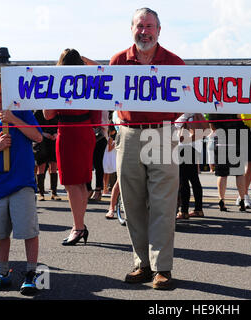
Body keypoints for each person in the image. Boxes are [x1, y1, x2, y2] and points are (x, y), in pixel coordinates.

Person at [110, 7, 184, 290]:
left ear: (159, 30)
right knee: (132, 204)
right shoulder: (117, 61)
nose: (145, 31)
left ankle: (162, 268)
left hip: (162, 134)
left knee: (164, 205)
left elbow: (187, 100)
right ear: (132, 29)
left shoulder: (175, 63)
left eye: (150, 26)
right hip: (128, 135)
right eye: (140, 26)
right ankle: (142, 263)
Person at [0, 71, 43, 295]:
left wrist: (13, 120)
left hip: (22, 183)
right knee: (0, 234)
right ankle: (2, 273)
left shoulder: (23, 114)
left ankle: (31, 273)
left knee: (28, 231)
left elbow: (37, 137)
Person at [43, 48, 100, 246]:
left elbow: (47, 115)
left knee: (71, 184)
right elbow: (105, 71)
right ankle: (79, 225)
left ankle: (78, 227)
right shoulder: (89, 82)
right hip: (86, 131)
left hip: (68, 131)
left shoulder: (58, 83)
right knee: (81, 182)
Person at [208, 113, 248, 212]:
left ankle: (221, 200)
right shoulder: (237, 107)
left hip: (221, 141)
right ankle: (242, 200)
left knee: (222, 175)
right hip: (237, 140)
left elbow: (212, 127)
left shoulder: (215, 108)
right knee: (239, 173)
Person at [176, 114, 205, 220]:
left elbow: (176, 126)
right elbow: (206, 128)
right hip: (194, 148)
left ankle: (184, 211)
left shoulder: (188, 112)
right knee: (194, 179)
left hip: (185, 148)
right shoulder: (198, 113)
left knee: (183, 181)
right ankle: (198, 209)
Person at [33, 110, 61, 201]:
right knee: (41, 166)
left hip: (54, 139)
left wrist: (56, 134)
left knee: (54, 166)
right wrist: (44, 134)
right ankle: (41, 193)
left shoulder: (56, 111)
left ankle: (54, 193)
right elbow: (33, 127)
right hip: (41, 141)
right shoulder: (38, 112)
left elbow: (60, 124)